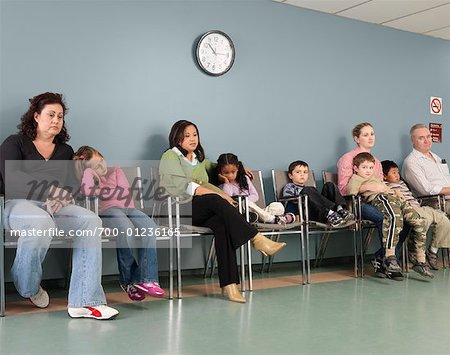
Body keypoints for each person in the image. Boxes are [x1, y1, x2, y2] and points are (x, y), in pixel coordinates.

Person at [0, 92, 118, 319]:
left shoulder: (65, 150)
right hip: (17, 204)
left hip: (53, 206)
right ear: (36, 116)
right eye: (51, 114)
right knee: (41, 222)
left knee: (91, 220)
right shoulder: (15, 143)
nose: (56, 120)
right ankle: (28, 287)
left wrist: (65, 195)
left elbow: (73, 183)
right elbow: (10, 178)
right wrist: (49, 190)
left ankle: (85, 302)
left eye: (60, 116)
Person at [159, 120, 286, 303]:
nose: (193, 139)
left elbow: (218, 167)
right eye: (187, 135)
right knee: (215, 198)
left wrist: (241, 167)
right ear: (177, 138)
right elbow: (183, 186)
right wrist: (215, 193)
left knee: (222, 225)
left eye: (195, 134)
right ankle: (257, 239)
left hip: (203, 208)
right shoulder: (170, 156)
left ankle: (230, 285)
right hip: (181, 207)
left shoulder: (198, 159)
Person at [73, 145, 165, 301]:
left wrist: (101, 188)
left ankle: (147, 279)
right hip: (109, 211)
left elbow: (123, 191)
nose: (102, 166)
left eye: (101, 161)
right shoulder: (91, 177)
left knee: (150, 227)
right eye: (97, 166)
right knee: (125, 228)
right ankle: (128, 282)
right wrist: (89, 173)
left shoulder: (116, 170)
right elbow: (87, 192)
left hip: (129, 209)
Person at [348, 153, 433, 279]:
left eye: (371, 168)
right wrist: (364, 188)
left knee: (419, 221)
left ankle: (420, 259)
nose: (368, 171)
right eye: (364, 167)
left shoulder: (376, 178)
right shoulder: (356, 179)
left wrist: (395, 192)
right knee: (394, 218)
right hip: (381, 198)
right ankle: (390, 256)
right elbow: (351, 195)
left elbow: (385, 188)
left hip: (396, 198)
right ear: (356, 168)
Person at [337, 122, 404, 279]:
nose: (370, 137)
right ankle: (390, 261)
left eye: (372, 134)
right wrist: (370, 186)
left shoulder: (377, 162)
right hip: (357, 203)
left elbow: (380, 186)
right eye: (365, 135)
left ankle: (382, 257)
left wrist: (385, 189)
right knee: (384, 217)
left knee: (404, 218)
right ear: (356, 138)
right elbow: (344, 190)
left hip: (377, 200)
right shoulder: (347, 158)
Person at [382, 159, 450, 270]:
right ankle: (414, 251)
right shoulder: (385, 186)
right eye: (393, 173)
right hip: (409, 209)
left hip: (419, 206)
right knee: (424, 220)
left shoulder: (402, 183)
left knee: (444, 220)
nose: (397, 175)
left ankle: (432, 251)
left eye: (398, 172)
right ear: (384, 176)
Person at [216, 153, 295, 224]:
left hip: (254, 209)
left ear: (237, 168)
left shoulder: (245, 179)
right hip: (239, 213)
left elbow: (255, 196)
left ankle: (257, 217)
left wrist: (246, 200)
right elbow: (230, 201)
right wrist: (226, 182)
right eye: (226, 173)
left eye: (233, 172)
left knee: (278, 206)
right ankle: (273, 219)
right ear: (220, 172)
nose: (230, 175)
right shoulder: (222, 186)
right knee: (245, 203)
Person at [282, 160, 354, 227]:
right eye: (298, 172)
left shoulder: (310, 188)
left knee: (329, 185)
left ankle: (340, 210)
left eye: (305, 172)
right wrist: (306, 195)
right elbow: (289, 199)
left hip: (321, 211)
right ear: (290, 175)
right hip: (307, 213)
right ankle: (330, 214)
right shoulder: (290, 186)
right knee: (308, 190)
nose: (302, 174)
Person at [402, 123, 450, 216]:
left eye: (428, 136)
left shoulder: (437, 157)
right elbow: (426, 189)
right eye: (421, 138)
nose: (426, 141)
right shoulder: (411, 162)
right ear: (413, 141)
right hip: (434, 203)